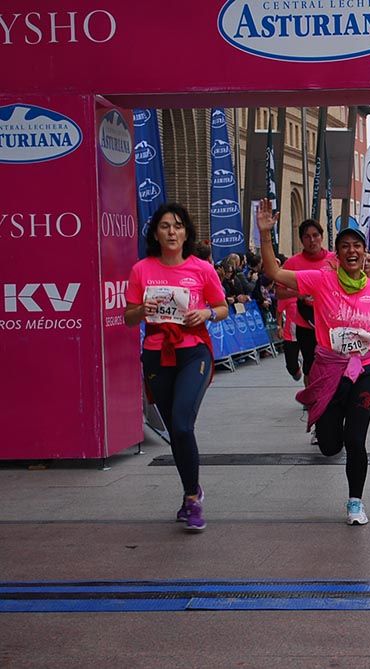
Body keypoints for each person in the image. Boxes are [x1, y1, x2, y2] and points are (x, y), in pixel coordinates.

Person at [257, 199, 370, 525]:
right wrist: (266, 235)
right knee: (331, 445)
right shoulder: (321, 280)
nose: (352, 251)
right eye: (345, 246)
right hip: (329, 371)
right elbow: (274, 272)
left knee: (356, 440)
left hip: (364, 369)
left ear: (364, 254)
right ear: (337, 254)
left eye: (357, 246)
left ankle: (355, 502)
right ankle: (330, 428)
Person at [124, 203, 229, 532]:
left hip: (193, 352)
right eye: (165, 226)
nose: (172, 232)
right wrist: (143, 308)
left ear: (186, 233)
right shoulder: (142, 269)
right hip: (156, 353)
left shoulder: (201, 269)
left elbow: (222, 307)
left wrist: (206, 314)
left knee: (183, 425)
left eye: (178, 226)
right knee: (176, 431)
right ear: (156, 232)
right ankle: (190, 491)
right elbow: (128, 318)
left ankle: (193, 502)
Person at [280, 219, 333, 386]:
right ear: (301, 240)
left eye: (315, 235)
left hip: (330, 322)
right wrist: (300, 293)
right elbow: (279, 292)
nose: (312, 240)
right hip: (305, 323)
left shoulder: (334, 260)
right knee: (310, 364)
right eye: (307, 237)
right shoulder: (292, 263)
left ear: (322, 237)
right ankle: (311, 399)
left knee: (331, 362)